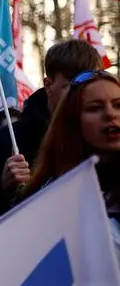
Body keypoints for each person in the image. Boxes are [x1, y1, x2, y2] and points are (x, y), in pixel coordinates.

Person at [0, 39, 104, 216]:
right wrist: (3, 188)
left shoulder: (105, 138)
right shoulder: (3, 143)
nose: (81, 96)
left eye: (88, 86)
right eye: (70, 87)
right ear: (48, 85)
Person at [21, 71, 120, 206]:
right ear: (72, 121)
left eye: (118, 106)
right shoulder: (45, 197)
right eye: (95, 108)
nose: (110, 114)